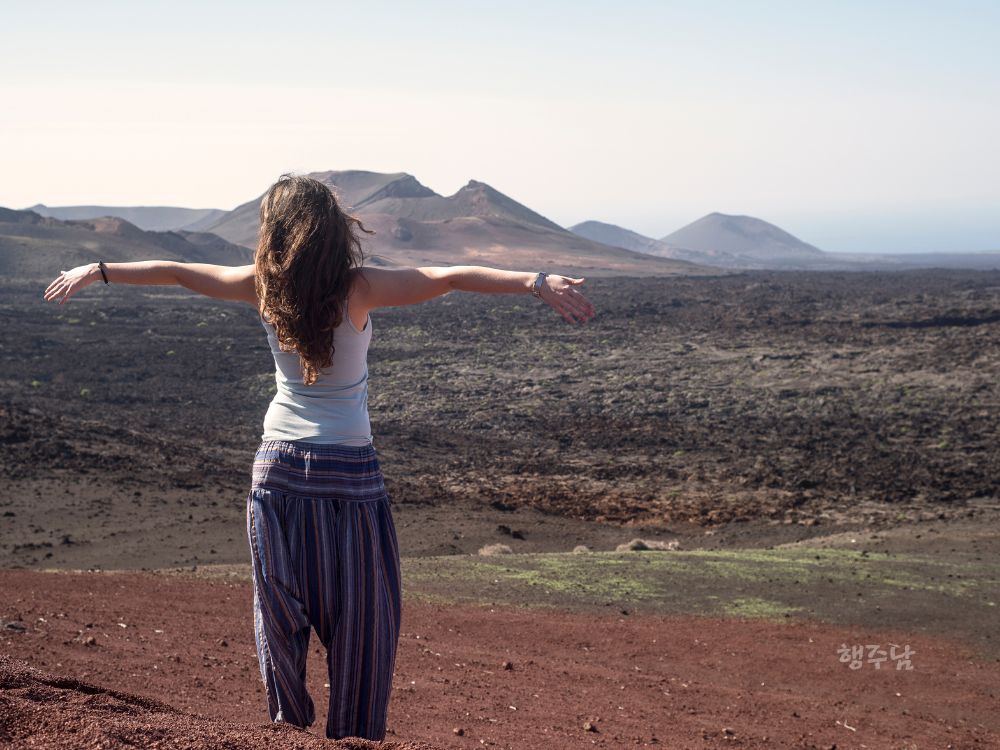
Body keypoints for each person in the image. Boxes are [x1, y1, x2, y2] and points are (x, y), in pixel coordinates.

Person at [42, 173, 597, 740]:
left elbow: (181, 272)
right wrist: (536, 281)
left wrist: (101, 270)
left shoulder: (262, 285)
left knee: (279, 613)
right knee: (363, 622)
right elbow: (446, 276)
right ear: (331, 230)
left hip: (276, 471)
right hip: (349, 476)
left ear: (275, 233)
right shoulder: (360, 286)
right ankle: (352, 735)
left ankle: (288, 729)